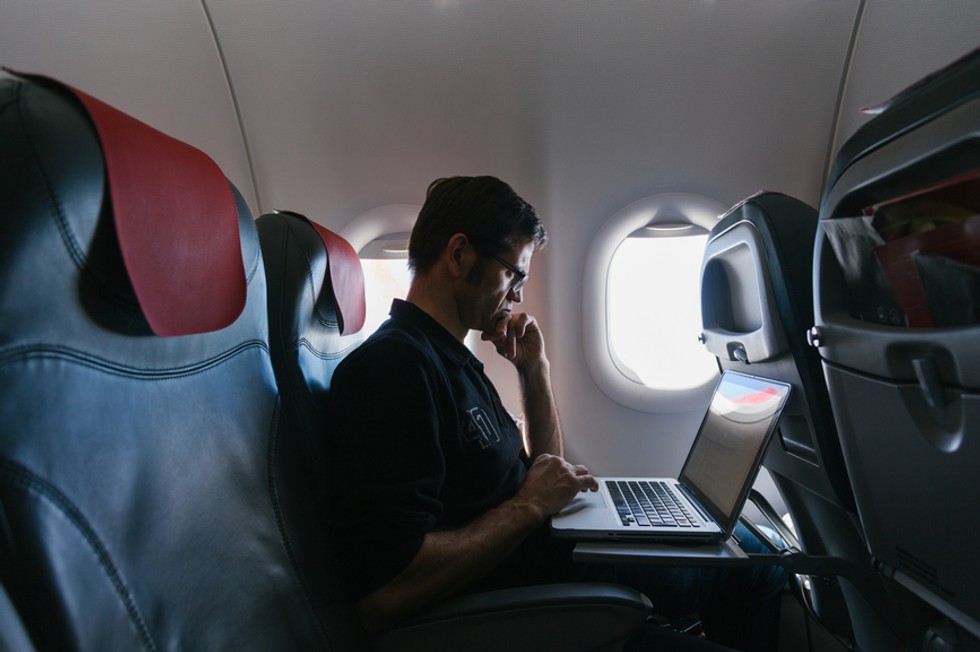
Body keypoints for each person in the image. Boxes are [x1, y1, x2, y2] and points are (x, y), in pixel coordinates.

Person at [324, 176, 785, 650]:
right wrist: (528, 508)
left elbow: (545, 471)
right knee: (761, 569)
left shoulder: (452, 360)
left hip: (567, 564)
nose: (519, 295)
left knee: (757, 553)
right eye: (514, 274)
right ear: (460, 255)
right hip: (539, 611)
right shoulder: (393, 371)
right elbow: (383, 593)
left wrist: (534, 372)